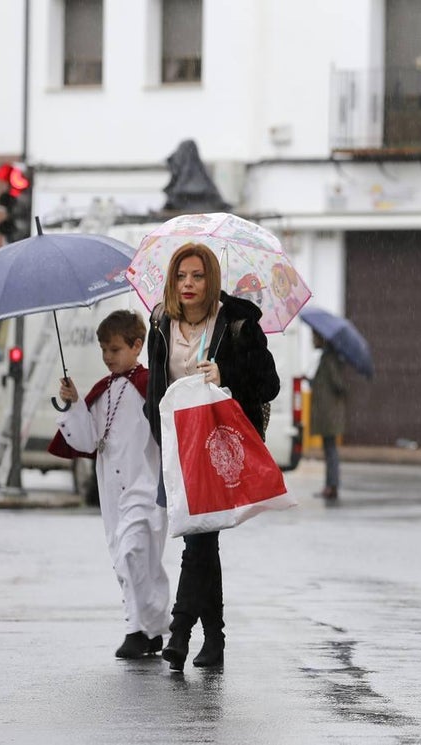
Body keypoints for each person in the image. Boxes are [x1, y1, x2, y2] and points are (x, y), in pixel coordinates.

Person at [142, 242, 280, 672]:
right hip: (177, 446)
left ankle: (180, 633)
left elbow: (269, 384)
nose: (188, 284)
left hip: (219, 446)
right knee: (203, 540)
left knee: (198, 539)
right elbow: (154, 388)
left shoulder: (237, 323)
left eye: (198, 276)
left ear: (211, 281)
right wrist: (161, 438)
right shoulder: (161, 323)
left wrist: (227, 374)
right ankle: (215, 639)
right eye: (181, 276)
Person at [48, 310, 169, 660]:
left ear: (137, 345)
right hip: (112, 493)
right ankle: (153, 628)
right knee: (127, 559)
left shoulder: (151, 385)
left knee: (134, 552)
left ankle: (136, 630)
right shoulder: (103, 389)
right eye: (103, 350)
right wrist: (74, 403)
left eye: (115, 349)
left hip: (145, 486)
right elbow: (86, 440)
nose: (107, 357)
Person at [309, 332, 346, 500]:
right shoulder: (327, 357)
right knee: (329, 449)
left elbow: (338, 384)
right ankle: (330, 485)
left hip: (329, 413)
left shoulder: (329, 359)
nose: (312, 340)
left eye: (314, 337)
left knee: (330, 450)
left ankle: (332, 486)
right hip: (327, 412)